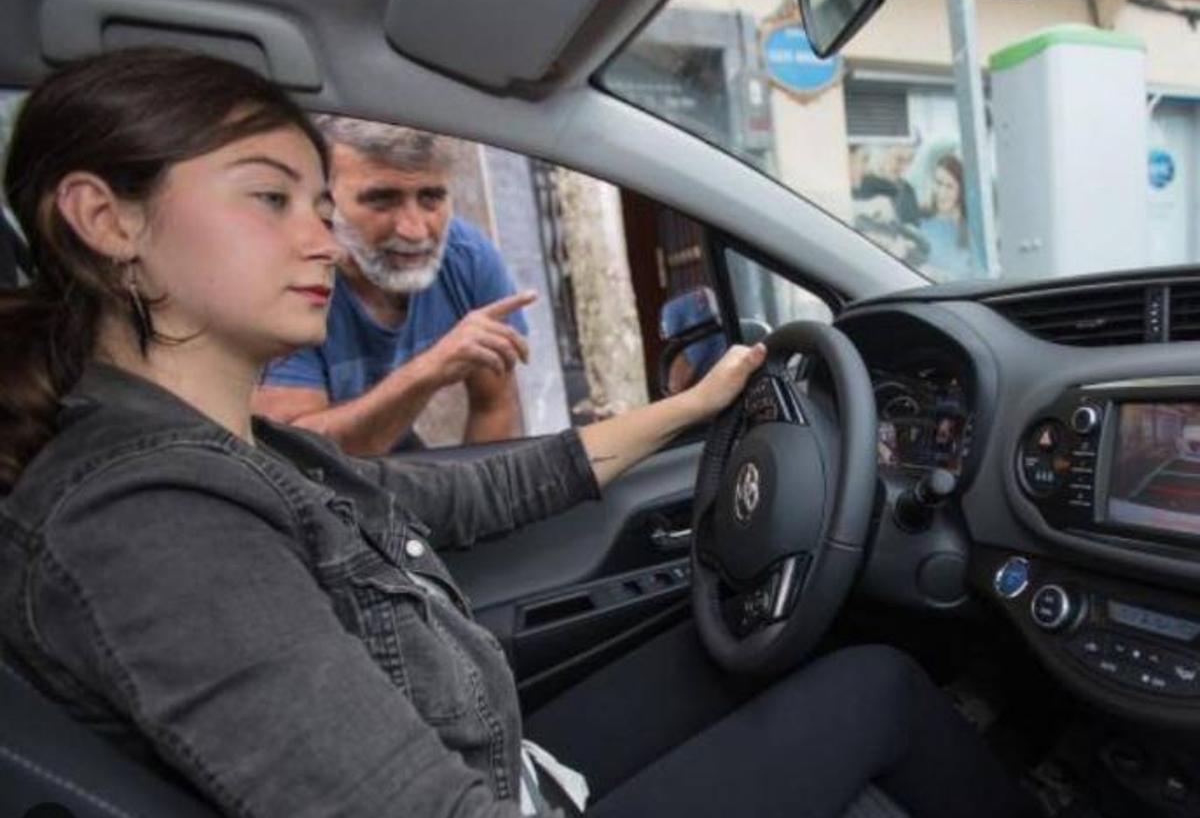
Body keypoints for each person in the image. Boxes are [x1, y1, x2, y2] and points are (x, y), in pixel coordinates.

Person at [0, 47, 1040, 818]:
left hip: (500, 764)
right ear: (106, 219)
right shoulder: (150, 521)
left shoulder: (246, 455)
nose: (323, 235)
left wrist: (691, 408)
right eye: (271, 199)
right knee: (878, 689)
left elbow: (477, 491)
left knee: (745, 651)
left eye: (321, 202)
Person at [252, 115, 528, 454]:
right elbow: (292, 459)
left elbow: (494, 408)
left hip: (388, 449)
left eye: (431, 198)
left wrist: (483, 504)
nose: (415, 230)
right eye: (382, 199)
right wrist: (428, 370)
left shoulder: (467, 259)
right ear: (323, 202)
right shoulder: (283, 279)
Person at [918, 153, 981, 280]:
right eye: (938, 183)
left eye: (949, 187)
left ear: (961, 192)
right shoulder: (922, 226)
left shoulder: (974, 231)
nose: (941, 192)